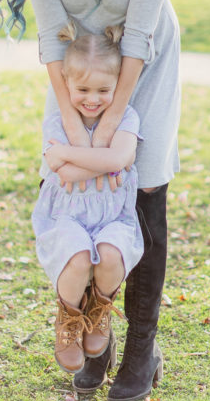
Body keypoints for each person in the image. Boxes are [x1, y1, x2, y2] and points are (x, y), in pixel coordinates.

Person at [0, 0, 180, 401]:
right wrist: (75, 125)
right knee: (75, 181)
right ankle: (97, 341)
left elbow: (141, 33)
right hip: (82, 70)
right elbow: (52, 37)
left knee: (140, 186)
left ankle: (142, 349)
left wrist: (115, 119)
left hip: (146, 61)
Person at [33, 24, 143, 375]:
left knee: (110, 254)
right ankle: (68, 315)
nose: (92, 98)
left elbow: (115, 160)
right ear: (66, 84)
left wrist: (70, 153)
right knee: (78, 257)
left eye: (103, 90)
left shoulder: (126, 117)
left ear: (117, 87)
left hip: (113, 216)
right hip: (66, 216)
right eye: (82, 89)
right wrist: (102, 160)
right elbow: (65, 175)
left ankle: (98, 310)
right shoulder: (58, 121)